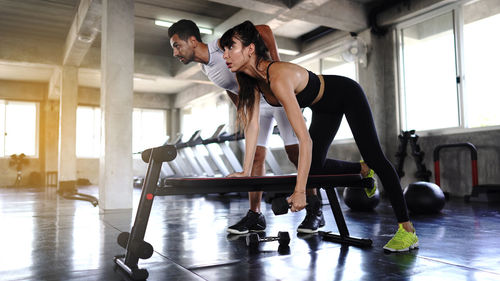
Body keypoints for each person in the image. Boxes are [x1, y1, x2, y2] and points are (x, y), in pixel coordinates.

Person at [219, 20, 419, 252]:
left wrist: (300, 190)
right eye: (223, 49)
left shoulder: (278, 76)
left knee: (376, 157)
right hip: (323, 107)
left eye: (230, 47)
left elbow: (305, 139)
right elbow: (252, 126)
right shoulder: (252, 83)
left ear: (250, 49)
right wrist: (245, 171)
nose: (225, 55)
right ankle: (362, 170)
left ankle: (407, 230)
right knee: (314, 167)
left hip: (345, 93)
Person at [168, 19, 326, 234]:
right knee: (256, 158)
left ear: (193, 41)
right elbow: (231, 88)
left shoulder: (220, 45)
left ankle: (315, 207)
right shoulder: (205, 69)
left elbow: (264, 30)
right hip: (256, 106)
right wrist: (242, 113)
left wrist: (277, 66)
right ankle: (255, 215)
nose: (175, 52)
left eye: (177, 45)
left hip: (276, 97)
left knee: (294, 153)